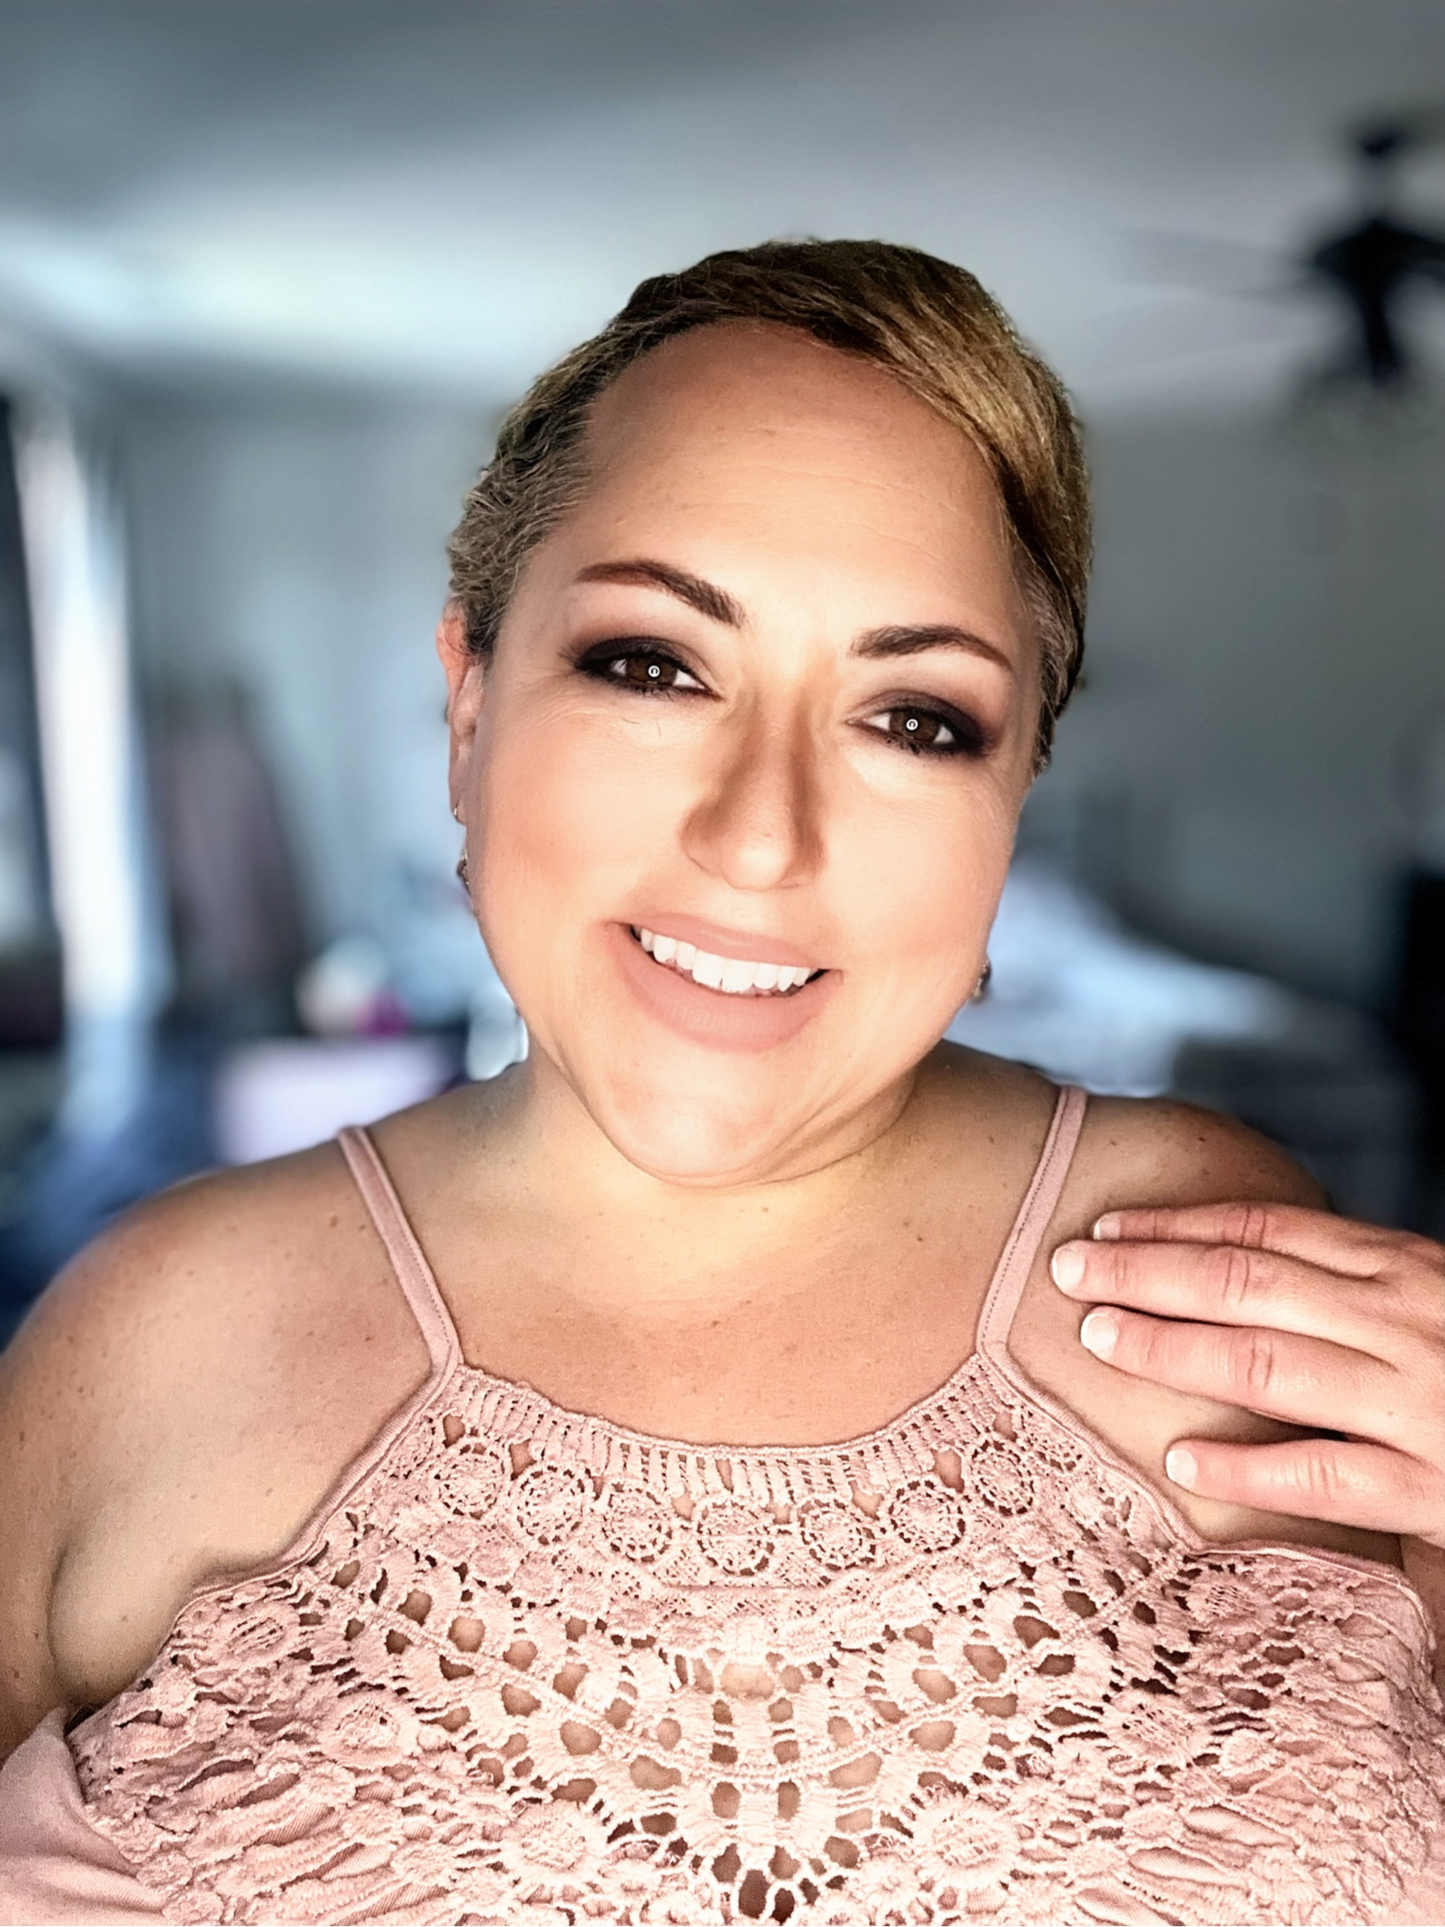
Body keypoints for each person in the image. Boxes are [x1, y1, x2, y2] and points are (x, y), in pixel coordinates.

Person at [0, 239, 1441, 1927]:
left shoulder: (1217, 1260)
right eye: (652, 662)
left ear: (1014, 798)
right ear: (469, 704)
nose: (762, 838)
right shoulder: (138, 1352)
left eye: (916, 719)